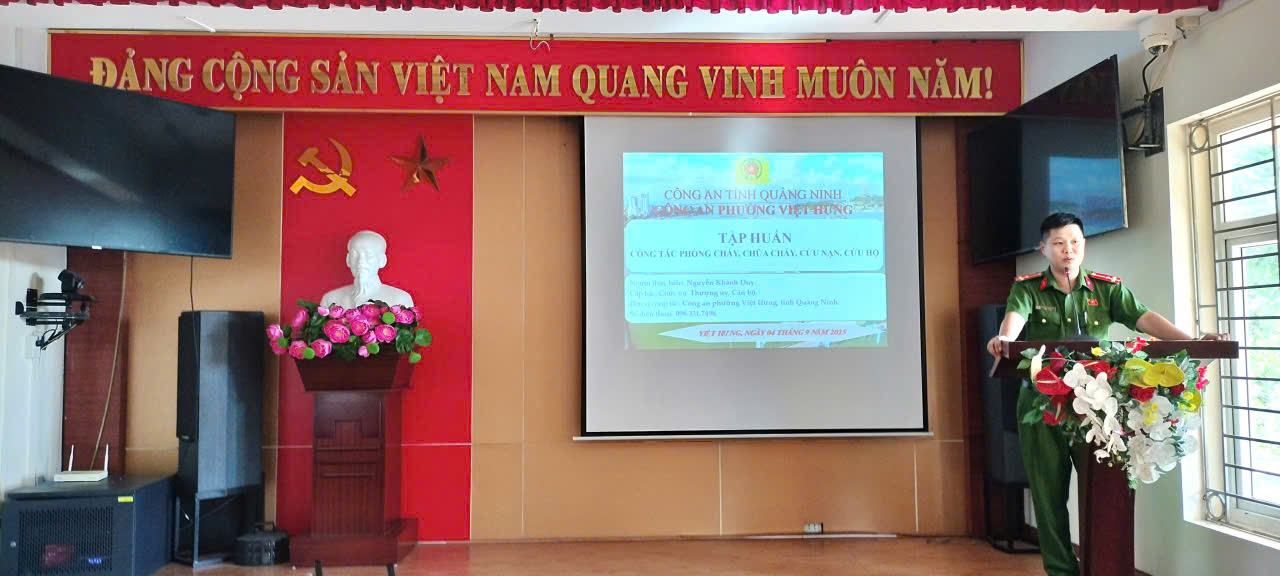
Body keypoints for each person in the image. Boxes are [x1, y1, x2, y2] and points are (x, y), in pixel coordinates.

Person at [985, 212, 1226, 576]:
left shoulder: (1106, 288)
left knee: (1105, 493)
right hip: (1042, 404)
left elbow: (1144, 318)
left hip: (1099, 406)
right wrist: (1005, 339)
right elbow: (1014, 320)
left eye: (1075, 242)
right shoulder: (1028, 288)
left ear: (1084, 245)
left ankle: (1104, 568)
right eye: (1059, 243)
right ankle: (1062, 572)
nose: (1068, 250)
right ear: (1043, 248)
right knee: (1049, 497)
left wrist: (1192, 342)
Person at [320, 230, 414, 309]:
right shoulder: (330, 299)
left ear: (382, 260)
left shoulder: (400, 299)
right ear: (348, 260)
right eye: (354, 255)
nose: (360, 261)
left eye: (369, 255)